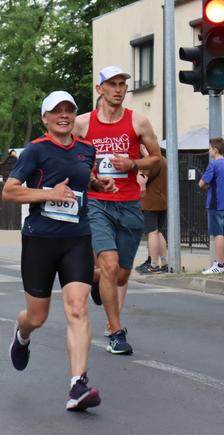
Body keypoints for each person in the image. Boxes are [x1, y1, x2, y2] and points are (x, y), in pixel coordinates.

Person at [3, 90, 110, 411]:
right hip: (40, 240)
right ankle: (22, 335)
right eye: (56, 111)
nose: (63, 115)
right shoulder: (35, 152)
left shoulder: (86, 150)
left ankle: (78, 384)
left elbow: (82, 179)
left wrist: (98, 185)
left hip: (76, 238)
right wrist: (48, 194)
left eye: (69, 110)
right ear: (45, 118)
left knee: (77, 308)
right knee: (37, 316)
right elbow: (10, 192)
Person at [73, 65, 162, 355]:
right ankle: (116, 331)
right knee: (110, 264)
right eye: (112, 84)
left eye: (123, 84)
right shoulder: (83, 124)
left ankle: (96, 278)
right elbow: (69, 156)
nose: (119, 89)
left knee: (121, 274)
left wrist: (134, 165)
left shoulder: (139, 122)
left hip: (129, 204)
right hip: (97, 202)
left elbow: (157, 159)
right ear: (99, 89)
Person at [198, 137, 224, 275]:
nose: (209, 150)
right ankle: (223, 263)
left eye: (210, 148)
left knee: (217, 234)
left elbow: (202, 183)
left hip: (215, 204)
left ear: (215, 150)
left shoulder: (214, 164)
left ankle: (218, 264)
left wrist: (206, 185)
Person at [139, 145, 168, 273]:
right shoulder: (164, 160)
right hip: (162, 201)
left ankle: (154, 264)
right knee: (159, 232)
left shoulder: (148, 161)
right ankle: (165, 262)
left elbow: (142, 180)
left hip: (150, 202)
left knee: (152, 232)